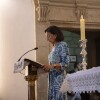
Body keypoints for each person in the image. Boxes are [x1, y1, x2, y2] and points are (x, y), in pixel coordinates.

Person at [42, 26, 70, 100]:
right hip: (52, 78)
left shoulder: (62, 45)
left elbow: (66, 63)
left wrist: (51, 66)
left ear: (55, 35)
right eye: (46, 36)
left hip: (59, 79)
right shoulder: (53, 47)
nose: (47, 38)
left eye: (48, 36)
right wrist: (46, 68)